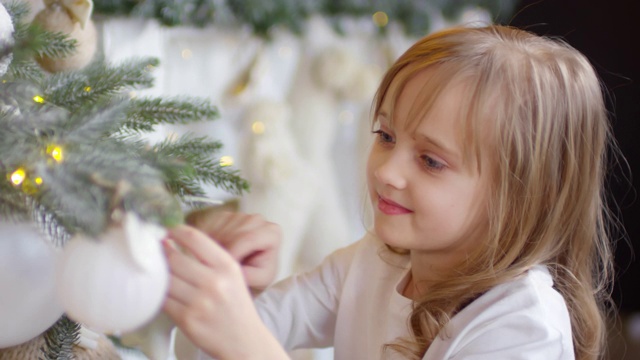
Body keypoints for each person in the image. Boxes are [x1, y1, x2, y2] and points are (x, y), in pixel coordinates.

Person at [162, 24, 616, 360]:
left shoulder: (522, 329)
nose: (387, 172)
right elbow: (199, 351)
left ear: (521, 197)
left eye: (431, 160)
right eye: (386, 136)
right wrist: (237, 291)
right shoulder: (372, 260)